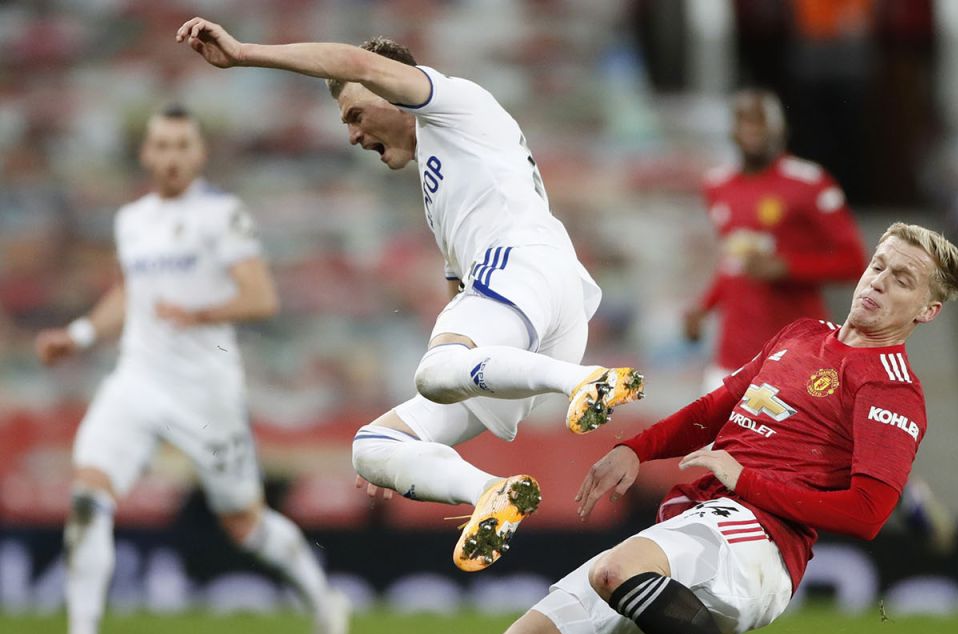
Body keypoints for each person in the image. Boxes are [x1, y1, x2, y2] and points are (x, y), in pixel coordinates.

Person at [177, 19, 644, 572]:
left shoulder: (452, 103)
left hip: (525, 264)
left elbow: (356, 63)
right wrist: (411, 458)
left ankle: (585, 383)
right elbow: (460, 292)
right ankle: (493, 492)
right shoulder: (441, 175)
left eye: (354, 115)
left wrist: (244, 53)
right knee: (374, 447)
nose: (352, 135)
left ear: (393, 92)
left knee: (436, 367)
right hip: (533, 309)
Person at [496, 223, 958, 634]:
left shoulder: (891, 388)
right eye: (880, 265)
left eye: (902, 279)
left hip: (761, 542)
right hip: (703, 521)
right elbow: (715, 408)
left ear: (926, 311)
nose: (879, 282)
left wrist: (746, 481)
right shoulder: (801, 334)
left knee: (617, 571)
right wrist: (636, 448)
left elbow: (868, 513)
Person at [33, 106, 350, 634]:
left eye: (182, 145)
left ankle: (324, 601)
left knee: (244, 524)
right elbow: (131, 291)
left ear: (199, 155)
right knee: (88, 496)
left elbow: (260, 298)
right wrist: (77, 334)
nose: (172, 156)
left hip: (205, 390)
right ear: (146, 154)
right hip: (136, 378)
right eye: (162, 145)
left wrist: (199, 312)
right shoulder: (132, 219)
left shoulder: (221, 216)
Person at [684, 89, 865, 394]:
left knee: (789, 441)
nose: (752, 129)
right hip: (732, 355)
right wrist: (705, 307)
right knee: (716, 441)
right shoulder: (718, 185)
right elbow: (733, 262)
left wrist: (788, 266)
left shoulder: (808, 183)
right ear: (732, 129)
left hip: (796, 353)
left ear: (780, 128)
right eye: (744, 121)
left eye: (760, 121)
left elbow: (853, 262)